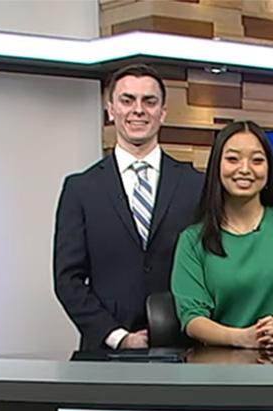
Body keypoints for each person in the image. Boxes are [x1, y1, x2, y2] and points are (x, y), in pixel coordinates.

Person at [54, 64, 202, 351]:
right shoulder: (80, 189)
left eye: (149, 101)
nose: (138, 110)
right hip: (105, 352)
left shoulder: (195, 185)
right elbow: (67, 279)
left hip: (183, 350)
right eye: (127, 100)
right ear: (111, 110)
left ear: (163, 112)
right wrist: (118, 336)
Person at [171, 121, 273, 349]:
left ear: (269, 168)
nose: (245, 169)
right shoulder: (192, 240)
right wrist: (243, 337)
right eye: (233, 159)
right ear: (217, 167)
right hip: (220, 366)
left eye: (257, 160)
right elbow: (192, 318)